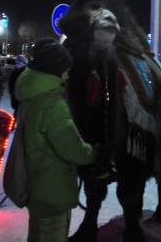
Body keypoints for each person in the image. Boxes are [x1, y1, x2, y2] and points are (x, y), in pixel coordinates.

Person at [15, 39, 96, 242]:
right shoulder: (52, 104)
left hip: (36, 185)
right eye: (65, 70)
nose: (68, 75)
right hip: (53, 190)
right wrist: (95, 152)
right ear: (54, 70)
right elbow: (74, 150)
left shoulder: (31, 95)